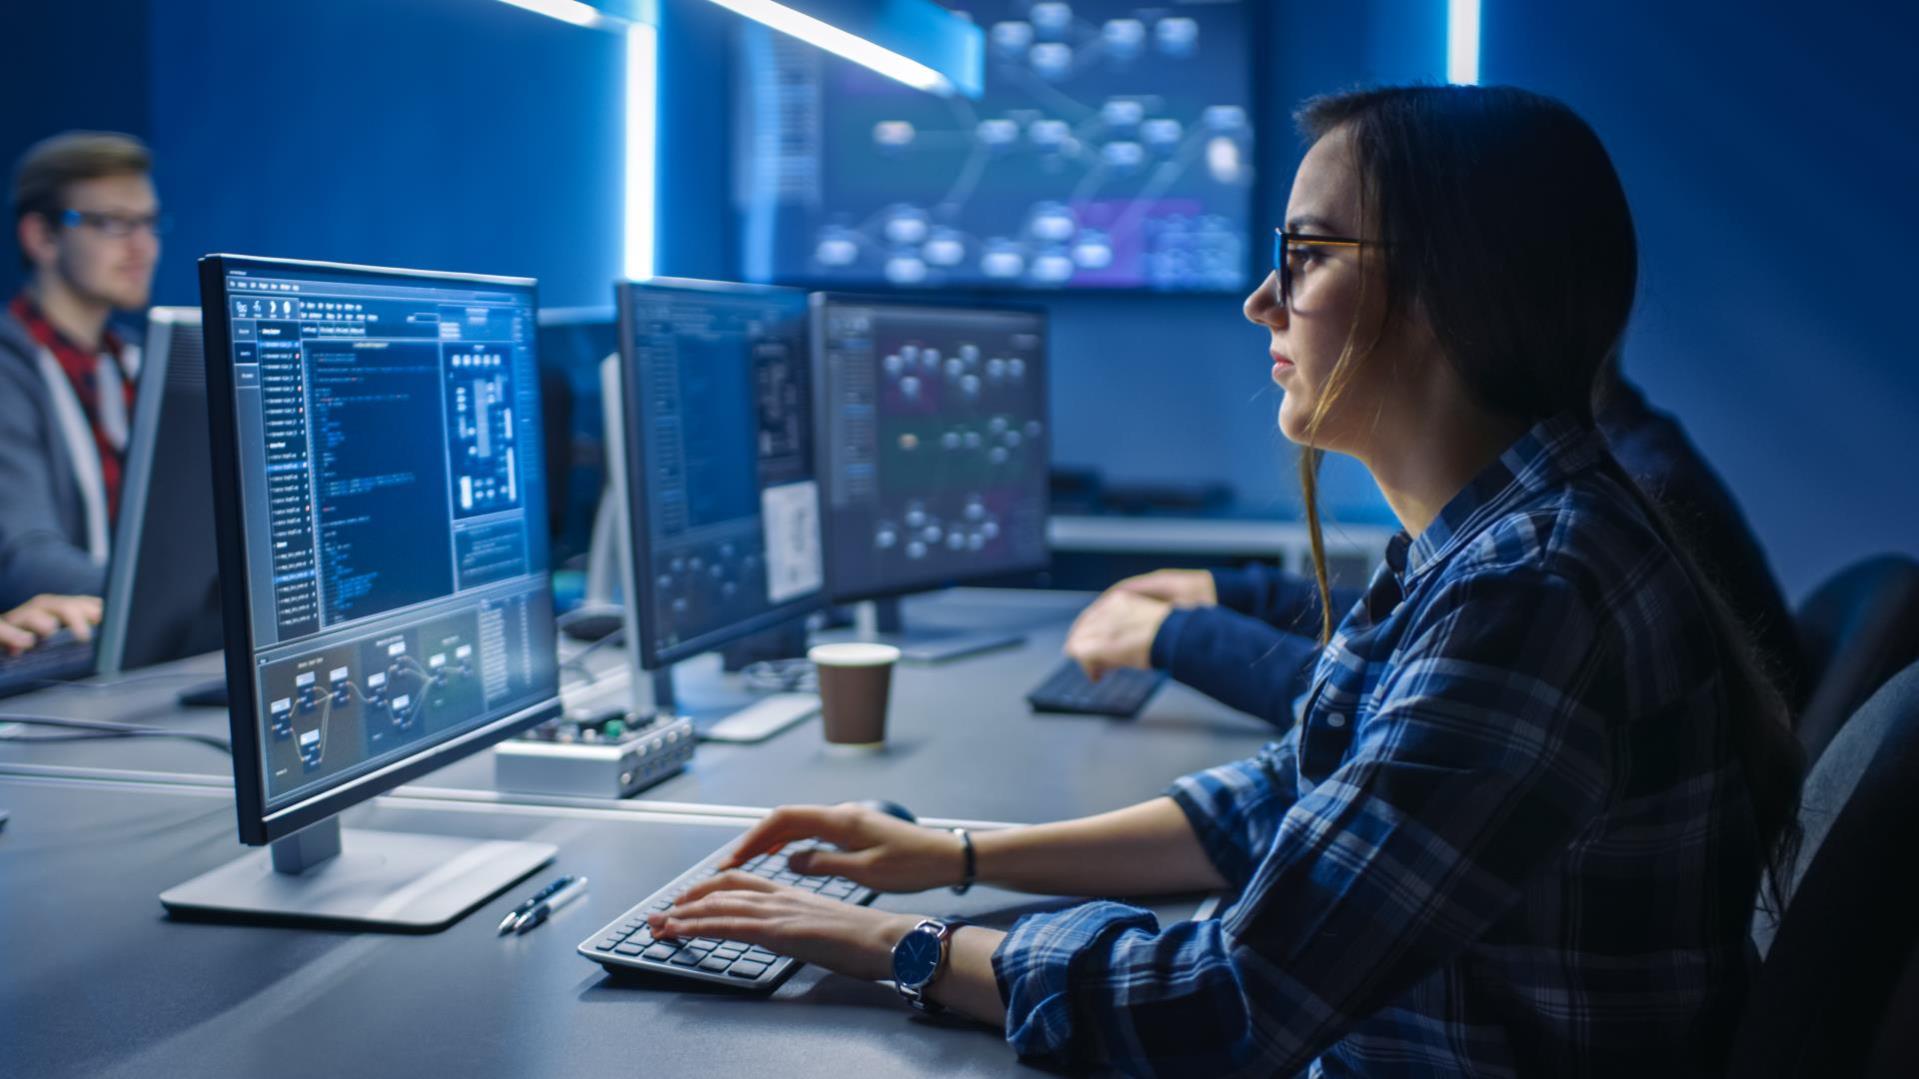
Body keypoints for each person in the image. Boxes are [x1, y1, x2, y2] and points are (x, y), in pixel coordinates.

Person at [639, 85, 1806, 1075]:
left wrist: (894, 945)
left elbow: (1226, 999)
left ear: (1452, 288)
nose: (1259, 301)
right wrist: (955, 857)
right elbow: (1283, 802)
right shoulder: (1492, 542)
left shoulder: (1534, 588)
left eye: (1303, 258)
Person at [1063, 358, 1809, 727]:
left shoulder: (1573, 541)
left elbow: (1407, 695)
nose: (1266, 304)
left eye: (1312, 255)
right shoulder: (1605, 461)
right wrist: (1238, 594)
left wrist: (1180, 638)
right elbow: (1419, 633)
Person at [0, 131, 161, 612]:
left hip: (141, 647)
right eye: (114, 223)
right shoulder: (10, 368)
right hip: (66, 661)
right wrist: (174, 598)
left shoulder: (140, 361)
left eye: (149, 223)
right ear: (42, 237)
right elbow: (23, 564)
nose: (143, 247)